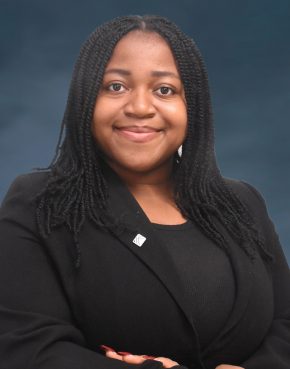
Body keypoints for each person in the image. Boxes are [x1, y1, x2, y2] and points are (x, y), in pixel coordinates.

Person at [0, 14, 289, 369]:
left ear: (191, 106)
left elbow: (284, 325)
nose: (139, 107)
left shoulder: (241, 203)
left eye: (164, 90)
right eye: (115, 87)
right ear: (85, 99)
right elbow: (26, 348)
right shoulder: (40, 203)